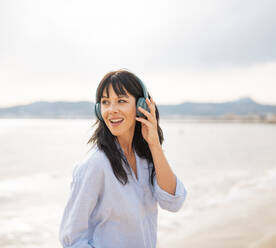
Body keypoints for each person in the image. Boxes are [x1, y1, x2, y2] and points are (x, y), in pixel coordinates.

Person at [58, 69, 187, 248]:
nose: (112, 110)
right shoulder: (95, 165)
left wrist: (154, 144)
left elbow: (174, 202)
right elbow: (71, 239)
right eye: (105, 102)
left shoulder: (146, 157)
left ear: (141, 106)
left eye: (121, 101)